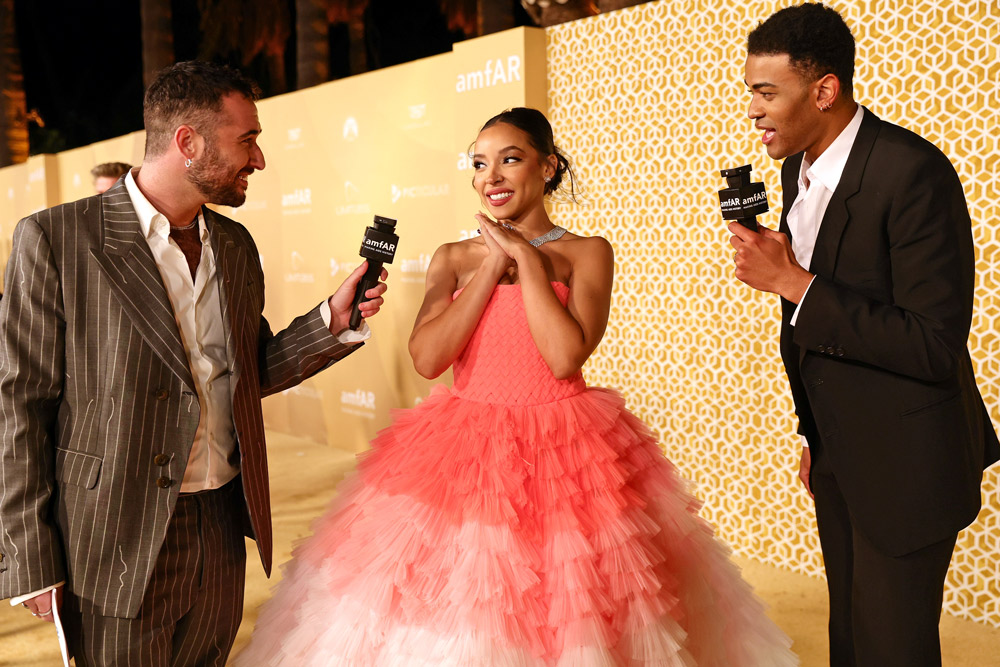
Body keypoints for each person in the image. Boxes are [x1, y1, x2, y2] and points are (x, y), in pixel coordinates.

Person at [235, 107, 797, 665]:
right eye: (480, 164)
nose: (492, 176)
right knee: (467, 606)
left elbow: (563, 356)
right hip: (463, 450)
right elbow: (429, 359)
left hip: (567, 451)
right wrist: (489, 265)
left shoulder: (586, 253)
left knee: (572, 608)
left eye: (511, 159)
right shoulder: (453, 258)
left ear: (548, 167)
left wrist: (527, 260)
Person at [0, 61, 388, 666]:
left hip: (219, 526)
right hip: (112, 539)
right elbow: (21, 403)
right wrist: (29, 553)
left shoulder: (234, 245)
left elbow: (244, 372)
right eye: (248, 139)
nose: (258, 160)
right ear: (188, 141)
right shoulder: (55, 239)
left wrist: (328, 326)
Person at [730, 5, 999, 666]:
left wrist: (792, 282)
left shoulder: (913, 172)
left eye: (768, 93)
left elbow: (932, 343)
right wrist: (815, 432)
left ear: (824, 91)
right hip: (840, 452)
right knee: (849, 638)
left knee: (893, 648)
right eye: (751, 94)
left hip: (908, 461)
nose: (754, 112)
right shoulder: (797, 170)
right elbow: (818, 331)